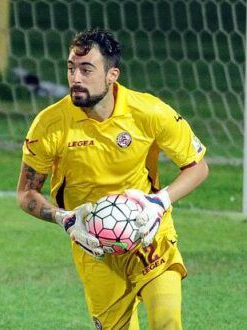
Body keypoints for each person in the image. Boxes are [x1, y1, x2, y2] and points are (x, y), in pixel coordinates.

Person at [16, 28, 209, 329]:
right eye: (71, 68)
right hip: (92, 244)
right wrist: (65, 218)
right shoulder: (49, 125)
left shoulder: (149, 112)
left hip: (147, 232)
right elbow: (26, 194)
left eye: (86, 69)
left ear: (112, 75)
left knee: (167, 320)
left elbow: (198, 166)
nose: (75, 78)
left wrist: (160, 202)